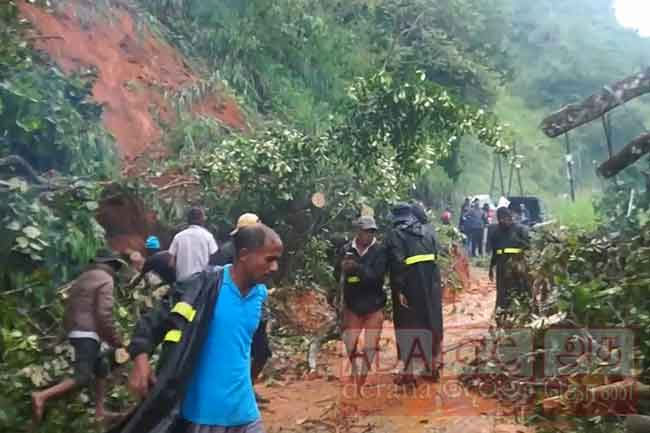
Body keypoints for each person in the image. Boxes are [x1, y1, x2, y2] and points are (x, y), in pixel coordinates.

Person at [115, 224, 283, 433]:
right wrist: (140, 362)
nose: (275, 267)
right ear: (244, 255)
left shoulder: (260, 295)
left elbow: (258, 348)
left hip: (245, 416)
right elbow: (151, 323)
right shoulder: (201, 288)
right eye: (269, 259)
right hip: (202, 417)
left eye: (277, 260)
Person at [32, 250, 127, 424]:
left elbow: (68, 310)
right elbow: (103, 313)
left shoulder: (82, 279)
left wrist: (61, 336)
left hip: (76, 331)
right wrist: (116, 340)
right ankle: (41, 396)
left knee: (102, 366)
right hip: (88, 334)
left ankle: (99, 412)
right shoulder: (106, 279)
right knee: (82, 376)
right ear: (112, 265)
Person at [212, 213, 271, 404]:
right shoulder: (230, 253)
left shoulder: (228, 251)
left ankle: (246, 389)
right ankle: (241, 391)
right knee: (251, 352)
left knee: (258, 352)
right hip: (239, 311)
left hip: (251, 308)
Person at [386, 203, 443, 385]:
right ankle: (432, 365)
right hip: (432, 284)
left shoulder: (396, 234)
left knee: (407, 324)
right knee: (431, 321)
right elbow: (437, 254)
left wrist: (399, 289)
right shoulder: (429, 231)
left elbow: (397, 262)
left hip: (409, 285)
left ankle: (409, 373)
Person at [334, 216, 387, 395]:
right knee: (350, 343)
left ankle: (361, 381)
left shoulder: (380, 251)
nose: (369, 235)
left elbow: (377, 277)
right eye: (366, 231)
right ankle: (355, 371)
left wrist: (356, 269)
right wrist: (342, 268)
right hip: (353, 304)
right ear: (358, 231)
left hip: (374, 304)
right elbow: (336, 275)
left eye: (372, 231)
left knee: (370, 345)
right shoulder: (346, 250)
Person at [488, 207, 531, 324]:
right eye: (501, 219)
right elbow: (495, 252)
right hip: (502, 266)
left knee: (520, 290)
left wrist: (526, 266)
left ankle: (523, 316)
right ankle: (501, 317)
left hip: (517, 266)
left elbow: (529, 249)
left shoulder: (520, 230)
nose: (503, 221)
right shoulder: (495, 232)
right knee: (502, 292)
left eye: (506, 218)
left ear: (510, 217)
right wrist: (491, 267)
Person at [169, 207, 219, 282]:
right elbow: (214, 259)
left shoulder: (178, 237)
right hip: (201, 284)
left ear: (188, 220)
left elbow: (171, 264)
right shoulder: (208, 236)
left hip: (182, 283)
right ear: (202, 220)